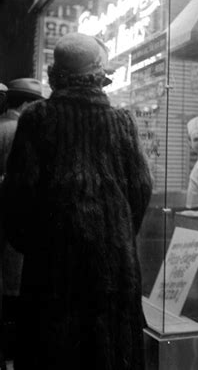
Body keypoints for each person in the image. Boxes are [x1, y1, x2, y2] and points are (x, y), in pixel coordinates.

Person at [0, 32, 153, 370]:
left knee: (51, 352)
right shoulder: (122, 122)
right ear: (98, 72)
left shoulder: (37, 118)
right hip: (113, 270)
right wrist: (120, 233)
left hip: (51, 270)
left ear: (57, 73)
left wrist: (39, 242)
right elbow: (141, 188)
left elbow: (17, 199)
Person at [0, 78, 44, 367]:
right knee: (15, 284)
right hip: (13, 217)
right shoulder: (18, 131)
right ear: (27, 105)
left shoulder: (2, 126)